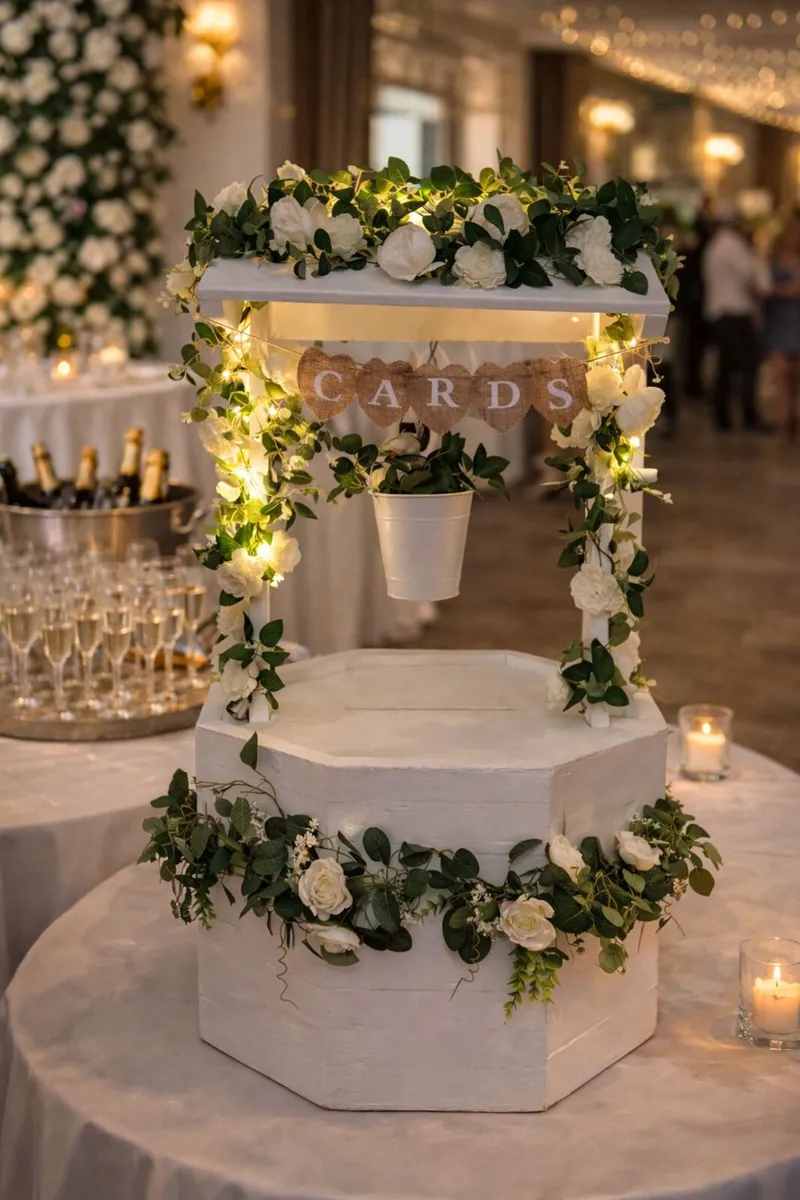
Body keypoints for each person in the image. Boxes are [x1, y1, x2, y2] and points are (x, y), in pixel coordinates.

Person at [702, 205, 770, 431]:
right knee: (747, 366)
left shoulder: (714, 247)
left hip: (720, 314)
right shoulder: (733, 247)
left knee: (726, 368)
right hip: (736, 314)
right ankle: (748, 416)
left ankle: (722, 416)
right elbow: (752, 280)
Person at [764, 212, 800, 440]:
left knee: (795, 374)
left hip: (795, 317)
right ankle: (782, 421)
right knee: (780, 374)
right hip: (778, 319)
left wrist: (777, 291)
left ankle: (793, 419)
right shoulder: (772, 258)